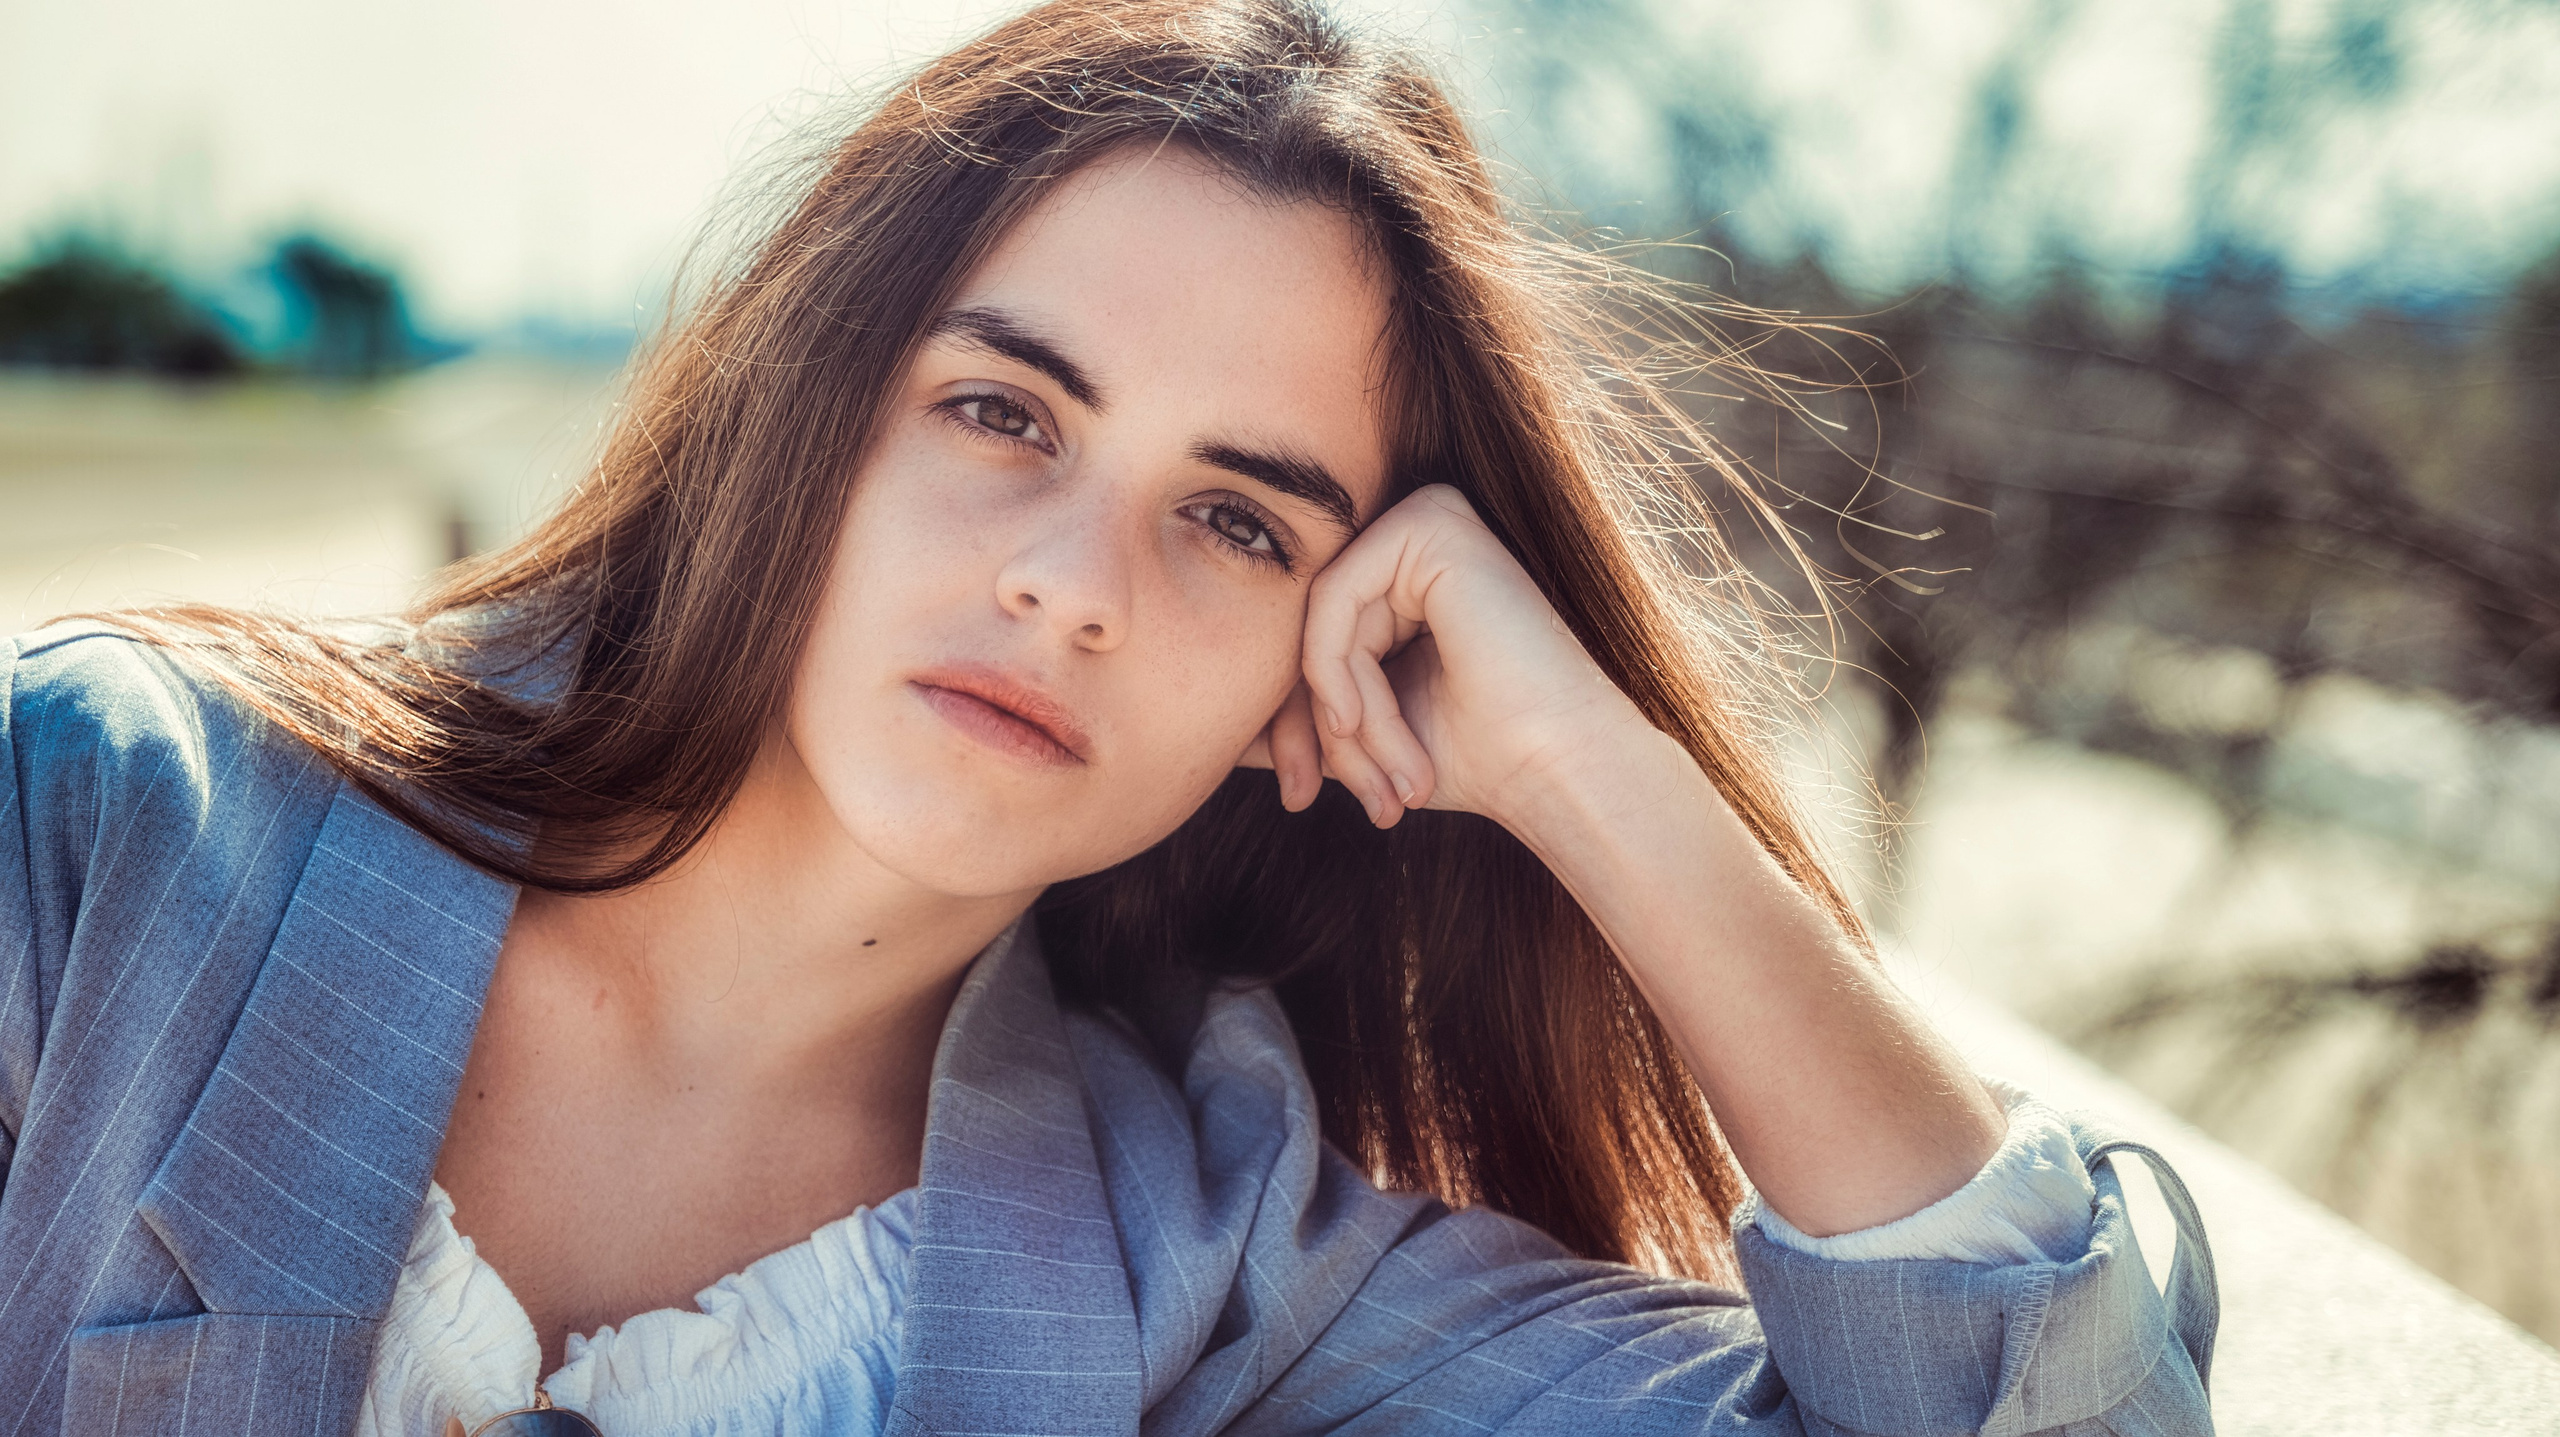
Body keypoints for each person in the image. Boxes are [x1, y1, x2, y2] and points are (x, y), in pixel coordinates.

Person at [0, 0, 2217, 1431]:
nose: (1070, 580)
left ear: (1325, 659)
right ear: (807, 408)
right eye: (999, 407)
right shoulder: (109, 836)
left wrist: (1587, 767)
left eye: (1242, 528)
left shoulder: (1213, 1256)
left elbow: (2043, 1412)